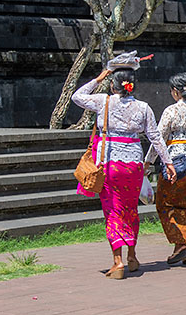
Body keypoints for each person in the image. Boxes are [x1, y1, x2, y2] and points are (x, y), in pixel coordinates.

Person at [73, 65, 175, 279]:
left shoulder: (103, 101)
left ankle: (118, 261)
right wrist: (168, 162)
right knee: (130, 209)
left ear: (113, 85)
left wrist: (98, 78)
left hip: (110, 165)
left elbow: (77, 96)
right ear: (132, 86)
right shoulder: (143, 107)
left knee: (113, 211)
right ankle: (132, 255)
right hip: (134, 165)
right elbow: (155, 137)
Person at [146, 73, 186, 267]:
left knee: (165, 203)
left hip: (175, 164)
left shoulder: (171, 111)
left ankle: (180, 244)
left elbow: (159, 139)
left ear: (175, 91)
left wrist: (148, 162)